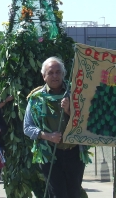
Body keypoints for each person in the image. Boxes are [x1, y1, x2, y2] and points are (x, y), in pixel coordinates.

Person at [24, 56, 88, 198]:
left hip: (74, 153)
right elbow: (27, 127)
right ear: (44, 76)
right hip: (50, 154)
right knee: (58, 194)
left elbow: (86, 123)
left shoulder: (75, 93)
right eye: (50, 73)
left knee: (74, 193)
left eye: (58, 72)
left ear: (63, 74)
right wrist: (47, 136)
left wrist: (69, 111)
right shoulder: (36, 98)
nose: (55, 76)